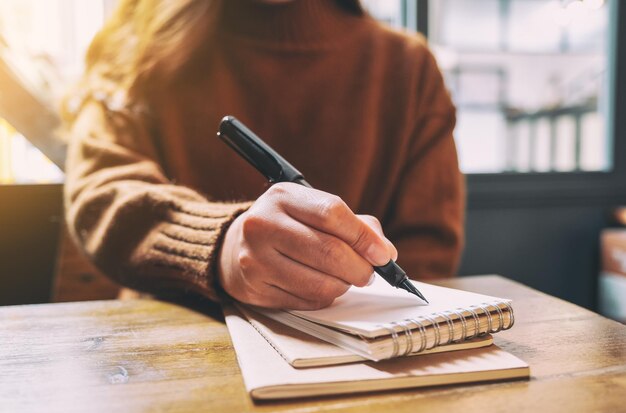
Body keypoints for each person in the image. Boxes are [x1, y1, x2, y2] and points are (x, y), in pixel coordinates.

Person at [62, 0, 464, 310]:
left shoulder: (409, 69)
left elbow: (428, 252)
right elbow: (101, 193)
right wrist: (219, 245)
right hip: (165, 357)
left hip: (354, 358)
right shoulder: (135, 51)